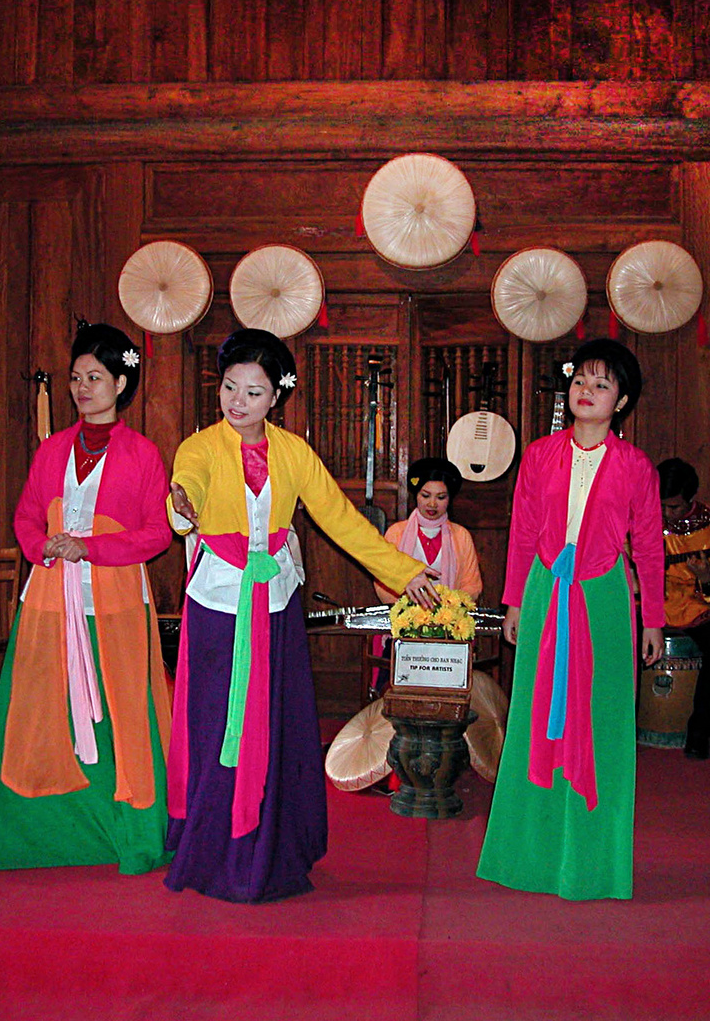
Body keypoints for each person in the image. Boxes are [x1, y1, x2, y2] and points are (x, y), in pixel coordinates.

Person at [164, 328, 439, 903]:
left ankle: (272, 845)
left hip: (275, 607)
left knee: (276, 723)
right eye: (231, 388)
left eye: (255, 393)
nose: (238, 402)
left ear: (277, 397)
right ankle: (217, 847)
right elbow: (184, 486)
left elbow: (342, 520)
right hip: (218, 606)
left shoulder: (293, 452)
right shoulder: (200, 446)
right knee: (218, 725)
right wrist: (181, 504)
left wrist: (405, 572)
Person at [476, 339, 665, 901]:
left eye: (602, 384)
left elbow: (649, 548)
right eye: (581, 380)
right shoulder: (538, 454)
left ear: (621, 401)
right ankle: (527, 856)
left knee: (601, 722)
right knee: (535, 720)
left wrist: (651, 619)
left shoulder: (636, 467)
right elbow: (524, 532)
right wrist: (514, 602)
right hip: (542, 592)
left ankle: (593, 863)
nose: (587, 390)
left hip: (605, 600)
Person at [0, 321, 172, 874]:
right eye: (75, 377)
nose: (81, 387)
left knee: (122, 715)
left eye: (95, 377)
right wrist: (42, 543)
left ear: (121, 383)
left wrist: (89, 547)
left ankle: (126, 831)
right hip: (47, 601)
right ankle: (34, 834)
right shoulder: (52, 451)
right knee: (35, 710)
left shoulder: (143, 454)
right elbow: (24, 515)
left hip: (114, 603)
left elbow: (157, 533)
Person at [374, 456, 483, 605]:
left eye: (441, 497)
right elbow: (383, 581)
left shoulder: (461, 535)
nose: (432, 504)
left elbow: (472, 584)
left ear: (449, 499)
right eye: (425, 496)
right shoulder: (396, 532)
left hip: (449, 619)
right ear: (416, 496)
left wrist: (449, 610)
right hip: (405, 618)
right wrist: (405, 609)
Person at [658, 458, 710, 759]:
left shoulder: (707, 526)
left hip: (695, 606)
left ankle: (699, 734)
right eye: (661, 506)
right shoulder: (642, 520)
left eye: (673, 508)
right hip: (649, 604)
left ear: (689, 500)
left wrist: (705, 579)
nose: (666, 514)